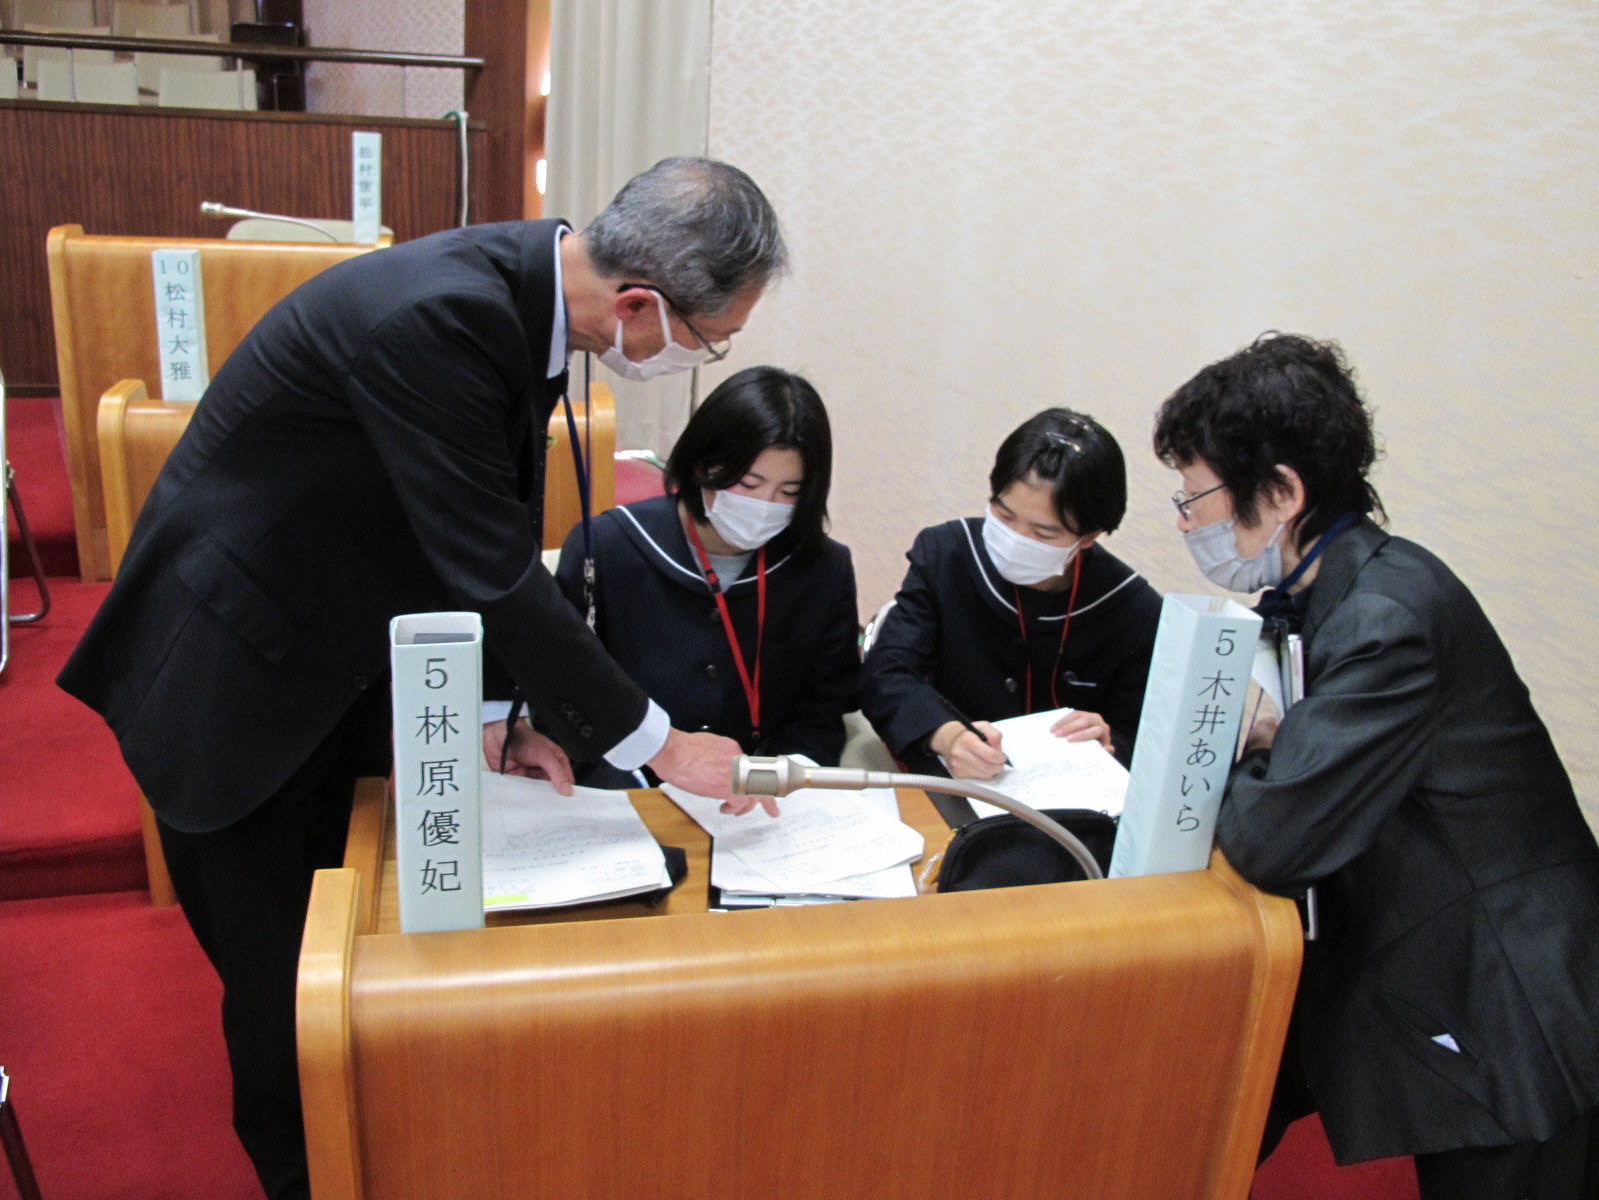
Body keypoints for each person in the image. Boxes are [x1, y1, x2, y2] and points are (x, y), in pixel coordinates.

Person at [56, 157, 787, 1200]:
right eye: (705, 340)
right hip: (232, 674)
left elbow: (459, 526)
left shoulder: (521, 298)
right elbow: (490, 565)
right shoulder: (441, 317)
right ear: (638, 305)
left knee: (353, 951)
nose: (694, 359)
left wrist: (498, 709)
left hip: (328, 645)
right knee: (284, 1004)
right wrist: (660, 747)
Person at [1153, 333, 1599, 1199]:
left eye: (1194, 496)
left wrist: (1239, 740)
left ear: (1280, 492)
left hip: (1514, 994)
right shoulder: (1338, 591)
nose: (1186, 521)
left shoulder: (1387, 616)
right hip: (1450, 960)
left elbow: (1276, 836)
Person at [554, 365, 858, 788]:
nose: (766, 505)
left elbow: (822, 708)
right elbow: (566, 692)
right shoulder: (607, 547)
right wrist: (634, 786)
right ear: (705, 463)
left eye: (789, 492)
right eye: (749, 484)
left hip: (760, 800)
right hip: (625, 792)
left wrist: (773, 781)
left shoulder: (823, 568)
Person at [860, 408, 1161, 783]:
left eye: (1044, 534)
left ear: (1089, 536)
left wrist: (1109, 743)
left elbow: (1148, 739)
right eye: (1004, 515)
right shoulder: (946, 554)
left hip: (1071, 799)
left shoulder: (1133, 609)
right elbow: (887, 673)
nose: (1017, 539)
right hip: (953, 784)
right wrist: (948, 735)